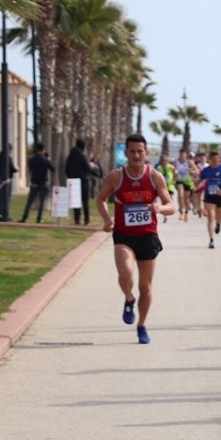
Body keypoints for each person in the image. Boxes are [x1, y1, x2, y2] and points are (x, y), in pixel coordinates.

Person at [95, 133, 175, 344]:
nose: (137, 155)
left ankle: (142, 325)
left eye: (140, 151)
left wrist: (160, 207)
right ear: (126, 152)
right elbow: (101, 198)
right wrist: (106, 220)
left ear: (146, 152)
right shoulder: (116, 176)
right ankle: (128, 299)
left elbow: (171, 206)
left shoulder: (154, 176)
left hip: (148, 235)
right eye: (132, 151)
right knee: (125, 273)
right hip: (124, 235)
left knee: (146, 287)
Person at [199, 151, 221, 248]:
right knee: (210, 217)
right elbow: (201, 179)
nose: (214, 162)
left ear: (219, 160)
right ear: (210, 160)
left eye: (216, 160)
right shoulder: (206, 170)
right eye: (212, 160)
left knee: (219, 217)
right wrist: (198, 182)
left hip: (220, 196)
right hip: (209, 196)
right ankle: (211, 240)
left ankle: (218, 224)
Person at [19, 143, 55, 223]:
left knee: (30, 201)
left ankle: (25, 217)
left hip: (34, 182)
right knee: (42, 201)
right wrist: (48, 158)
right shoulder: (45, 160)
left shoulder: (32, 159)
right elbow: (53, 168)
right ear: (43, 150)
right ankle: (39, 218)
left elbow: (30, 168)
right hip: (43, 182)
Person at [66, 138, 92, 226]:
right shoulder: (82, 156)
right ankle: (86, 219)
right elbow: (87, 168)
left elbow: (66, 168)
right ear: (83, 147)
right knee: (85, 201)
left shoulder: (70, 155)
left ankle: (77, 219)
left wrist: (70, 177)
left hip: (73, 180)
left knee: (75, 201)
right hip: (83, 180)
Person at [172, 149, 195, 220]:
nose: (182, 155)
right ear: (179, 154)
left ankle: (186, 213)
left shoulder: (189, 162)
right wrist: (174, 173)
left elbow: (196, 170)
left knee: (186, 198)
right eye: (181, 154)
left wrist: (190, 171)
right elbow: (173, 170)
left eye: (184, 154)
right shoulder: (176, 162)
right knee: (180, 195)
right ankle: (181, 212)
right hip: (179, 181)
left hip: (187, 181)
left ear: (186, 155)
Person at [0, 143, 17, 221]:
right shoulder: (8, 157)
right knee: (7, 198)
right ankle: (6, 214)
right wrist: (16, 169)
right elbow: (11, 168)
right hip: (7, 180)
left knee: (1, 197)